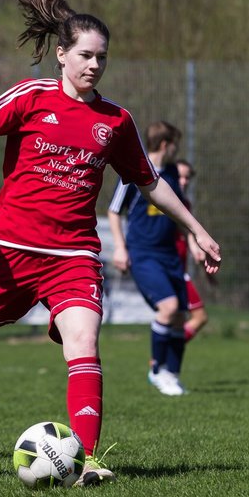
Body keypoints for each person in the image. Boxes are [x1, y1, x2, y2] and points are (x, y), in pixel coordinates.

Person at [0, 0, 222, 487]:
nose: (93, 65)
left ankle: (86, 459)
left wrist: (197, 231)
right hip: (7, 251)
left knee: (84, 344)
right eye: (85, 55)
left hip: (73, 256)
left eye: (102, 58)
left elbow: (151, 184)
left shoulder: (115, 122)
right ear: (62, 54)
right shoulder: (31, 97)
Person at [106, 121, 200, 396]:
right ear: (165, 144)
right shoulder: (134, 168)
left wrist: (193, 240)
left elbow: (178, 211)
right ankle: (157, 369)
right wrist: (120, 248)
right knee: (168, 307)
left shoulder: (171, 171)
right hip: (143, 253)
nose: (176, 150)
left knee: (181, 317)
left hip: (170, 254)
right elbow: (114, 211)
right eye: (175, 145)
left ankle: (172, 374)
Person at [175, 159, 213, 344]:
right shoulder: (159, 204)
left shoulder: (185, 204)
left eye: (187, 178)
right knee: (199, 316)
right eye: (179, 176)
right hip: (170, 270)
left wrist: (195, 247)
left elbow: (185, 231)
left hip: (180, 270)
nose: (183, 181)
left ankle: (162, 360)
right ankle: (162, 357)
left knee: (181, 320)